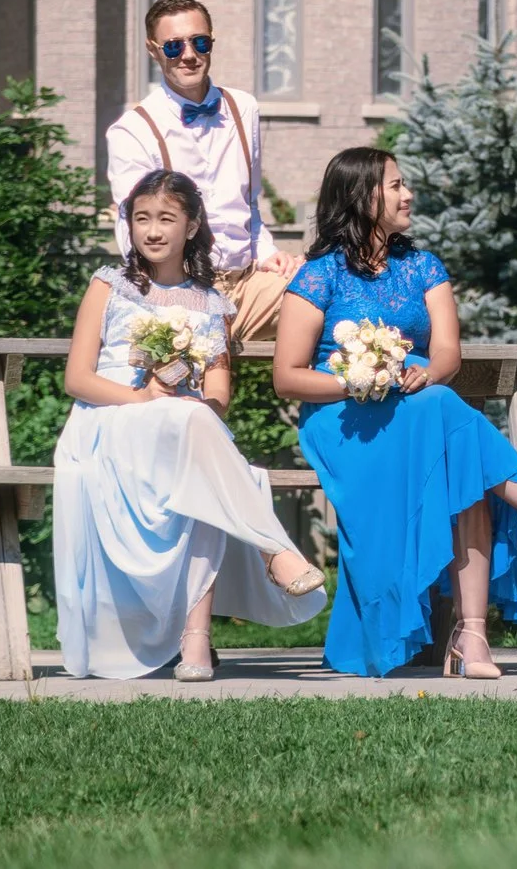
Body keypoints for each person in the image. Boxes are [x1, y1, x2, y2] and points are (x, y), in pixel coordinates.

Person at [274, 148, 517, 678]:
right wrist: (358, 379)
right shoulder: (318, 277)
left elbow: (448, 352)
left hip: (419, 409)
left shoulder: (423, 267)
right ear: (362, 196)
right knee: (452, 428)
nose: (409, 195)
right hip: (345, 422)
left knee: (449, 430)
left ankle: (473, 637)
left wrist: (427, 372)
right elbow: (287, 377)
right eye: (397, 185)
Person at [54, 170, 326, 681]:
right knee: (207, 452)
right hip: (111, 420)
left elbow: (219, 393)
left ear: (192, 224)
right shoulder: (108, 286)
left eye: (165, 219)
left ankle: (196, 639)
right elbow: (77, 378)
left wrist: (185, 395)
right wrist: (144, 395)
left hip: (182, 425)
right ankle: (273, 551)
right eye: (141, 219)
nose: (152, 231)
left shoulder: (213, 303)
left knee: (199, 437)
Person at [104, 0, 298, 342]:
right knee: (194, 388)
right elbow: (130, 226)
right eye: (174, 46)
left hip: (250, 283)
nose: (190, 55)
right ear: (153, 50)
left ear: (212, 42)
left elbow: (249, 205)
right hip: (180, 293)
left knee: (332, 297)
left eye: (200, 42)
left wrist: (270, 254)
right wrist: (165, 296)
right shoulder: (132, 130)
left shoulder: (244, 108)